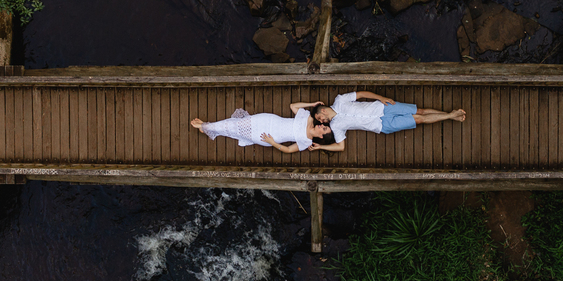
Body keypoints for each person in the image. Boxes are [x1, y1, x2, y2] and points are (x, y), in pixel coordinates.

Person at [289, 91, 465, 152]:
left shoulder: (340, 99)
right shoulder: (335, 127)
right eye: (320, 121)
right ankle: (450, 116)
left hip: (383, 108)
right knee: (418, 119)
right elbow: (340, 147)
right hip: (381, 126)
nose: (322, 122)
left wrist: (381, 98)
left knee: (420, 111)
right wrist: (322, 146)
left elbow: (363, 95)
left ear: (323, 110)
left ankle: (450, 114)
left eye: (320, 118)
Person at [189, 107, 333, 154]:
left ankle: (207, 127)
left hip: (268, 136)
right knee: (237, 123)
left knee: (237, 131)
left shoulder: (306, 141)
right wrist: (312, 105)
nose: (321, 125)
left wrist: (272, 142)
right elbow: (293, 106)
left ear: (321, 136)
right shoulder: (308, 118)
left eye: (324, 128)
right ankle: (208, 127)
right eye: (324, 125)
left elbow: (288, 150)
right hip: (268, 120)